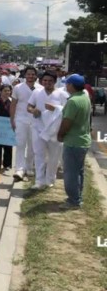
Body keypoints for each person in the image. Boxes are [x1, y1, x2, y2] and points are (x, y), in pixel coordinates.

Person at [27, 71, 69, 189]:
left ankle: (50, 179)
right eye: (45, 80)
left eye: (50, 81)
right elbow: (29, 106)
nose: (47, 83)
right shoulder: (36, 92)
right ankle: (39, 181)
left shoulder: (61, 94)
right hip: (38, 127)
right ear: (41, 81)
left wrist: (55, 108)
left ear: (55, 81)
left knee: (53, 156)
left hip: (54, 130)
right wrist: (33, 110)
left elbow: (68, 110)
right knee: (39, 154)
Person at [57, 74, 92, 209]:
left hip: (73, 142)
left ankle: (73, 201)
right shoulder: (84, 96)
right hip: (83, 141)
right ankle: (77, 197)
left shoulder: (73, 101)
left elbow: (67, 122)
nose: (66, 86)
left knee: (71, 173)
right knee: (79, 172)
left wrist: (60, 134)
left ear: (71, 85)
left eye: (67, 84)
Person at [11, 66, 42, 181]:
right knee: (20, 144)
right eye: (28, 74)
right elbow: (13, 104)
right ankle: (19, 169)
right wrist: (12, 120)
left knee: (32, 145)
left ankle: (29, 167)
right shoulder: (18, 88)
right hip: (20, 119)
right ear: (25, 75)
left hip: (35, 121)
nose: (30, 76)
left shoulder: (40, 88)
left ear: (36, 76)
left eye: (33, 74)